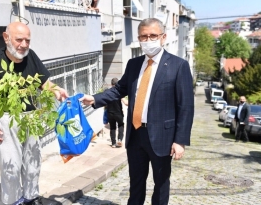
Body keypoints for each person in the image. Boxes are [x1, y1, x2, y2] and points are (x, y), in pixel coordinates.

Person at [80, 18, 194, 205]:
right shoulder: (134, 64)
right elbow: (119, 90)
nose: (148, 40)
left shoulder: (178, 65)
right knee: (136, 184)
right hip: (136, 135)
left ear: (163, 37)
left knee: (161, 185)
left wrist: (180, 141)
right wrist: (95, 98)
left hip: (162, 137)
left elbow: (186, 106)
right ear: (139, 39)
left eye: (153, 36)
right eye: (143, 36)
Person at [0, 22, 68, 205]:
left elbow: (44, 82)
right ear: (6, 37)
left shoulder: (31, 56)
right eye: (19, 39)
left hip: (30, 118)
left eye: (27, 40)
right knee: (11, 166)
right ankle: (14, 201)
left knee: (33, 163)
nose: (24, 44)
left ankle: (31, 197)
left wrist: (56, 90)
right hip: (4, 120)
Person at [107, 78, 127, 148]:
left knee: (112, 127)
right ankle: (119, 139)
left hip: (110, 113)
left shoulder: (107, 92)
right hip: (118, 113)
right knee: (121, 125)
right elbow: (126, 103)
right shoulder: (118, 92)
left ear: (111, 84)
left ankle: (113, 143)